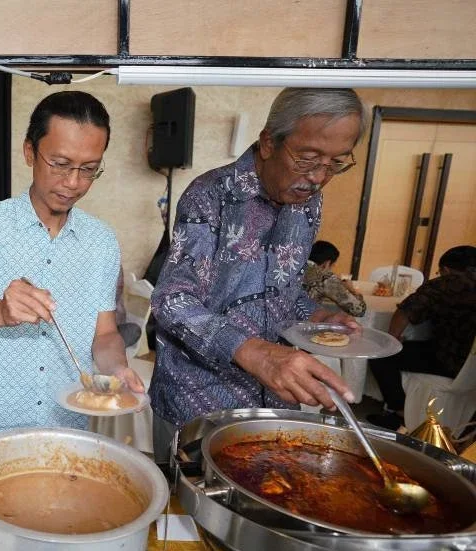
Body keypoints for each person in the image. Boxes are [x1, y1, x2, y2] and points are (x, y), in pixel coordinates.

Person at [0, 91, 144, 448]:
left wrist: (116, 369)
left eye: (88, 169)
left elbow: (104, 334)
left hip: (71, 425)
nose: (73, 182)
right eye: (60, 163)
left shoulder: (101, 241)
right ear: (29, 153)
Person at [149, 88, 366, 461]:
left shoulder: (308, 203)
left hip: (274, 406)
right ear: (269, 142)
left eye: (335, 164)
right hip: (199, 402)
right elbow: (172, 300)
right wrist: (257, 354)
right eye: (308, 159)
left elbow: (283, 286)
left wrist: (313, 314)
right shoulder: (211, 195)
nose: (318, 178)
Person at [367, 245, 476, 430]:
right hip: (470, 367)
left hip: (449, 361)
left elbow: (405, 312)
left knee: (382, 356)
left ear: (446, 270)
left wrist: (392, 340)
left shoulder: (447, 284)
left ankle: (400, 414)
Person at [303, 240, 366, 316]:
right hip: (300, 324)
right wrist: (352, 290)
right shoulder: (324, 277)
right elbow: (358, 310)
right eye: (333, 265)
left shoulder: (294, 266)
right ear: (326, 263)